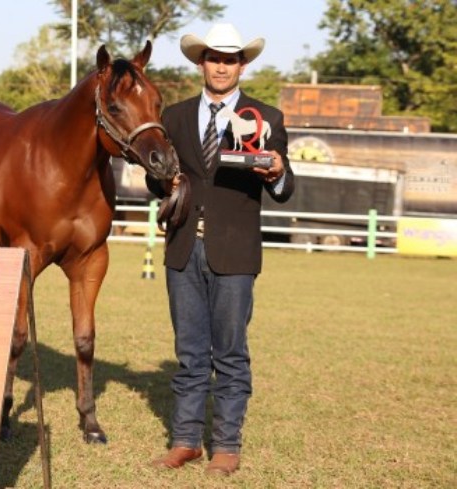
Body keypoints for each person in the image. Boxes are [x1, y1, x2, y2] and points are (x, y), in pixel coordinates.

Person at [148, 23, 295, 475]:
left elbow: (285, 190)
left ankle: (226, 445)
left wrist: (276, 172)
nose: (221, 66)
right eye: (213, 57)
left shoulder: (265, 117)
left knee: (230, 352)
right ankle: (186, 440)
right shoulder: (171, 117)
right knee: (190, 351)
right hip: (181, 249)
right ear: (201, 62)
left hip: (235, 252)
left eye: (230, 59)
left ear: (242, 65)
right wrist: (162, 182)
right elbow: (158, 178)